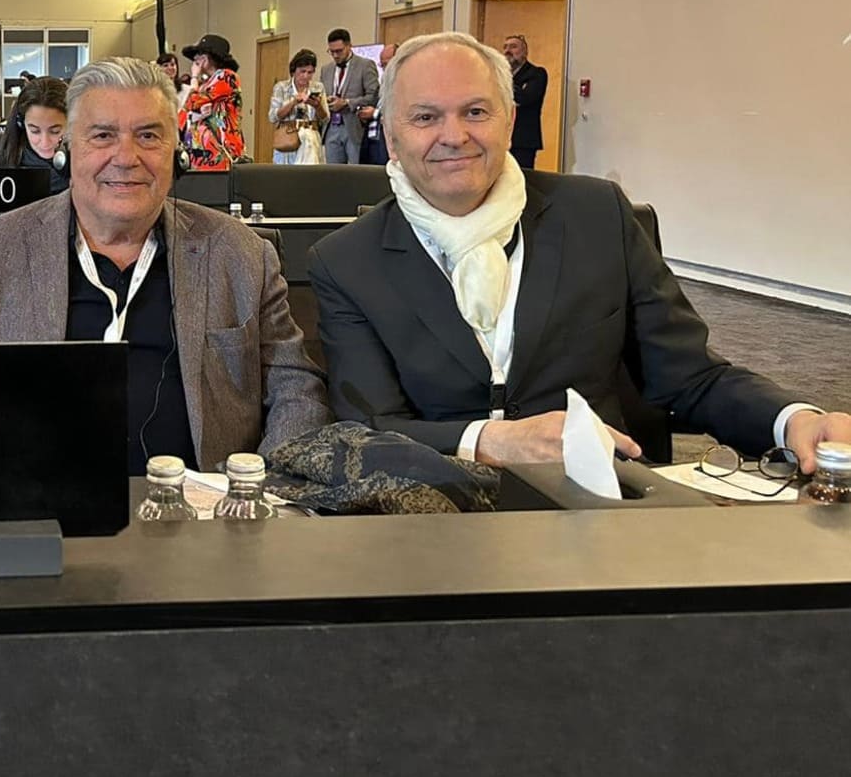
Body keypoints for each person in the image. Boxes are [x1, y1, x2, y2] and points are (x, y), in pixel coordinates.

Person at [307, 32, 851, 467]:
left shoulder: (596, 215)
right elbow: (369, 427)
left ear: (510, 120)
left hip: (599, 512)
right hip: (436, 523)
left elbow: (691, 376)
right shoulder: (348, 261)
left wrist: (794, 419)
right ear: (393, 137)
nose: (455, 135)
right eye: (425, 117)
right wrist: (489, 441)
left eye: (476, 112)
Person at [0, 57, 329, 473]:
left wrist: (255, 499)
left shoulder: (240, 254)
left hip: (202, 523)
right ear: (67, 152)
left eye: (148, 136)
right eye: (102, 136)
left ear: (176, 153)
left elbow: (297, 391)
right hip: (37, 519)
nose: (126, 157)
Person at [178, 32, 245, 169]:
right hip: (200, 152)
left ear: (211, 57)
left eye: (201, 54)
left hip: (220, 151)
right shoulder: (206, 83)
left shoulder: (227, 77)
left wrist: (194, 77)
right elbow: (187, 111)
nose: (196, 58)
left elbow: (192, 102)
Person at [0, 76, 70, 192]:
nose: (45, 142)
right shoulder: (3, 167)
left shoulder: (90, 168)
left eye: (55, 131)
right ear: (21, 124)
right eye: (35, 131)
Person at [321, 28, 380, 165]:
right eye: (331, 51)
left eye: (339, 51)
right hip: (331, 127)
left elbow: (373, 96)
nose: (335, 55)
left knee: (356, 171)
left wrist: (347, 103)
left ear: (349, 46)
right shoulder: (326, 70)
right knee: (333, 175)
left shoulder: (365, 65)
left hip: (354, 126)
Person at [268, 49, 326, 166]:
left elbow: (325, 118)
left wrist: (317, 106)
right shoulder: (281, 87)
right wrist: (293, 102)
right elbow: (273, 117)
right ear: (294, 71)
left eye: (310, 72)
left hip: (311, 137)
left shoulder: (318, 87)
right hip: (288, 136)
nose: (305, 76)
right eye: (302, 71)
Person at [503, 33, 548, 172]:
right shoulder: (500, 75)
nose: (507, 51)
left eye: (513, 47)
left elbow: (525, 98)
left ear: (524, 52)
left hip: (523, 139)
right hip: (503, 137)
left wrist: (503, 79)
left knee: (523, 179)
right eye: (505, 47)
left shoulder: (536, 73)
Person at [357, 42, 398, 166]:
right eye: (382, 64)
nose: (384, 68)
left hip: (388, 141)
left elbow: (399, 113)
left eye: (386, 64)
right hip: (372, 137)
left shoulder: (404, 84)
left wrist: (374, 113)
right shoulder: (382, 85)